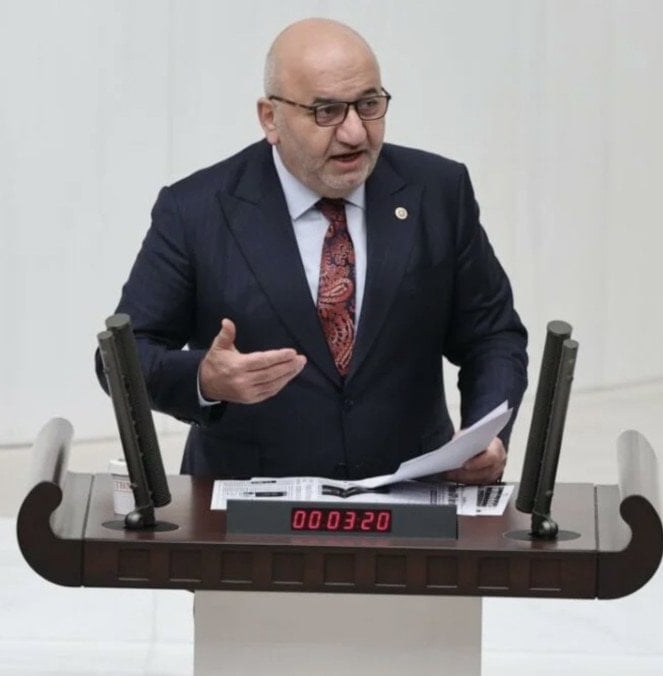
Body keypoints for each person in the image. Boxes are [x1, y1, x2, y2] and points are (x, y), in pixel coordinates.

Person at [98, 18, 527, 484]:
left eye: (369, 105)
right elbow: (120, 358)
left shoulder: (438, 192)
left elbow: (492, 336)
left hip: (409, 495)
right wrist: (204, 379)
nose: (355, 133)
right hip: (246, 506)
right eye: (327, 111)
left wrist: (486, 431)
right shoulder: (196, 210)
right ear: (271, 118)